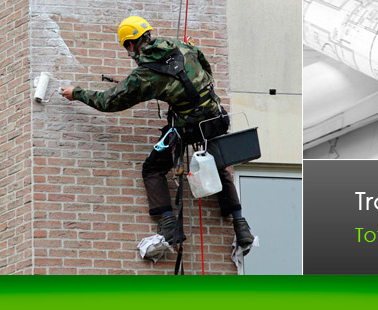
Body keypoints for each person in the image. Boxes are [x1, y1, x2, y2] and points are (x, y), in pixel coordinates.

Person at [60, 16, 254, 247]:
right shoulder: (179, 46)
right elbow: (204, 65)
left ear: (131, 44)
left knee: (152, 168)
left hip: (188, 128)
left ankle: (169, 225)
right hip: (217, 117)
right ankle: (241, 226)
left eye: (126, 47)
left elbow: (108, 101)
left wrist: (77, 93)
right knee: (219, 165)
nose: (127, 52)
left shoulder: (145, 76)